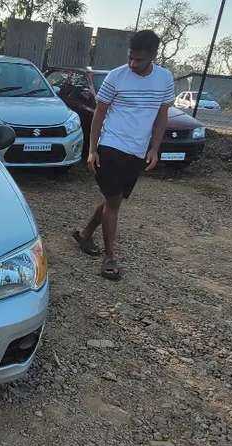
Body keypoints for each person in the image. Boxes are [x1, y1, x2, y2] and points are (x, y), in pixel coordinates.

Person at [71, 30, 174, 280]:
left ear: (153, 55)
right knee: (114, 201)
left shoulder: (165, 79)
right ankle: (110, 257)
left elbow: (162, 116)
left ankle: (85, 235)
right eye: (130, 57)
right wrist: (93, 150)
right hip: (111, 147)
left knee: (112, 199)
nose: (132, 63)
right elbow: (99, 114)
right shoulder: (116, 77)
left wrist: (154, 148)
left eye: (138, 60)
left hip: (137, 151)